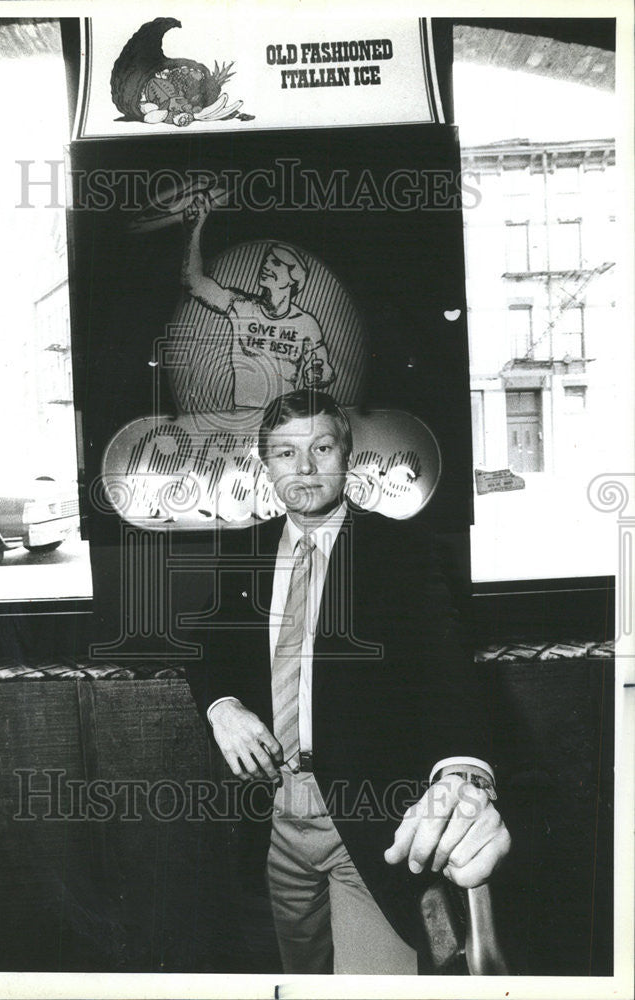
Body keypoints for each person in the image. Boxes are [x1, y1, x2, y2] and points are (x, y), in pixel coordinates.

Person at [184, 389, 510, 974]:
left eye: (321, 447)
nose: (304, 468)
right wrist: (223, 705)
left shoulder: (401, 551)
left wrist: (463, 771)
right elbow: (206, 644)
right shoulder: (240, 552)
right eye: (285, 453)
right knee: (297, 976)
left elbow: (447, 667)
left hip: (368, 821)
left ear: (347, 454)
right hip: (273, 818)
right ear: (268, 465)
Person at [181, 192, 334, 408]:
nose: (266, 266)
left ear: (294, 279)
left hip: (282, 423)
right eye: (267, 260)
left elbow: (325, 369)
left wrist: (318, 373)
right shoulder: (241, 306)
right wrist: (193, 230)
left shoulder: (306, 324)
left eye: (277, 263)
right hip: (242, 420)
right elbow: (192, 282)